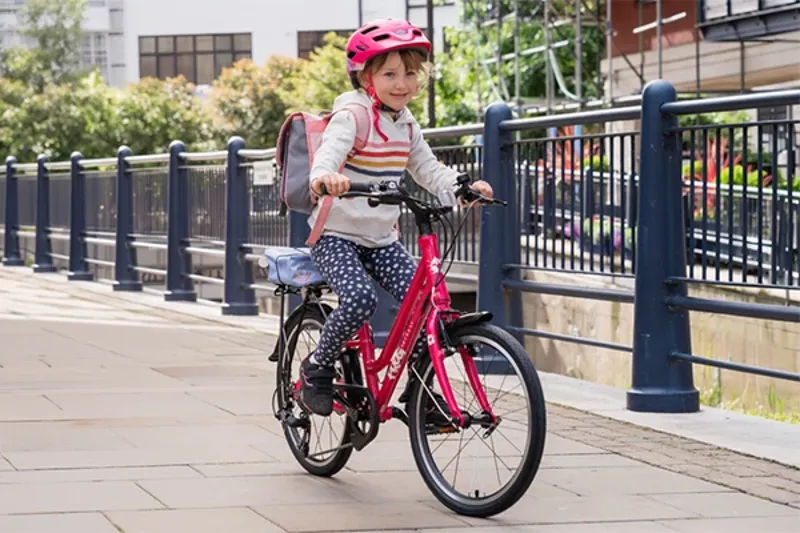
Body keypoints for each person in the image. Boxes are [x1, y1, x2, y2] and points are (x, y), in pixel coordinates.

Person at [299, 18, 494, 417]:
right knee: (359, 299)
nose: (401, 83)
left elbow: (428, 169)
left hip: (381, 239)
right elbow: (328, 156)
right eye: (389, 74)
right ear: (365, 77)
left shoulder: (406, 124)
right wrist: (326, 178)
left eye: (410, 73)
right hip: (336, 236)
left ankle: (420, 392)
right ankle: (317, 366)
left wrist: (462, 189)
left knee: (427, 305)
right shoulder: (352, 116)